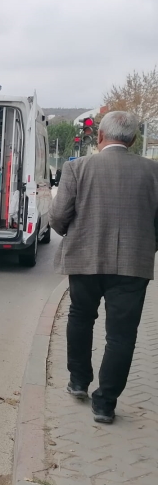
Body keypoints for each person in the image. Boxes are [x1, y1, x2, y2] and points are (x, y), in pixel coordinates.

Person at [51, 111, 158, 424]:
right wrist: (146, 247)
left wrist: (74, 235)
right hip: (133, 266)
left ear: (99, 136)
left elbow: (58, 217)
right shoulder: (153, 172)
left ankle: (78, 381)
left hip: (84, 261)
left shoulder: (76, 167)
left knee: (81, 318)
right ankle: (105, 404)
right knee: (122, 336)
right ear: (134, 139)